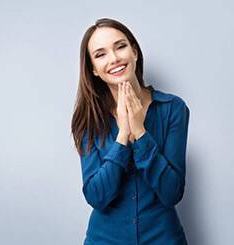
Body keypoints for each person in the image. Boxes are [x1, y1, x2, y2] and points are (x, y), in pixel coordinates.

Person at [71, 18, 190, 244]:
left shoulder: (173, 109)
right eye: (100, 54)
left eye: (120, 46)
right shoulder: (88, 120)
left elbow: (171, 193)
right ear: (94, 70)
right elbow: (97, 196)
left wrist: (140, 132)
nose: (114, 59)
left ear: (134, 51)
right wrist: (123, 136)